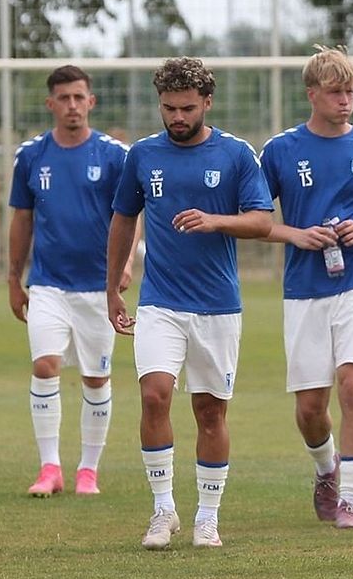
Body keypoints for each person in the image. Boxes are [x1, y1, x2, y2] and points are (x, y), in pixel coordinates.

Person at [107, 57, 273, 550]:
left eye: (185, 108)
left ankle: (207, 516)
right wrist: (112, 283)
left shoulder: (237, 154)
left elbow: (263, 222)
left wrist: (215, 221)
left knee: (209, 413)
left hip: (218, 305)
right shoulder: (141, 155)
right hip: (160, 301)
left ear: (206, 103)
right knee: (155, 394)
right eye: (168, 108)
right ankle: (163, 511)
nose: (177, 117)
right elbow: (122, 218)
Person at [260, 45, 353, 530]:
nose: (345, 101)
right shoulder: (280, 150)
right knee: (309, 408)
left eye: (351, 93)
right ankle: (327, 469)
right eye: (336, 92)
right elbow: (255, 218)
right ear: (312, 94)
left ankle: (351, 500)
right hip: (304, 287)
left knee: (352, 384)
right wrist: (295, 234)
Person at [8, 65, 134, 499]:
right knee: (45, 365)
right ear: (51, 104)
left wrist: (125, 266)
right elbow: (22, 218)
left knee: (96, 378)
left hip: (98, 289)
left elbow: (129, 216)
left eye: (79, 97)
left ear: (91, 102)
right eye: (64, 98)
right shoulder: (31, 155)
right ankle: (50, 468)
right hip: (47, 284)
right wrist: (12, 277)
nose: (72, 106)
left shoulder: (114, 155)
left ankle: (88, 470)